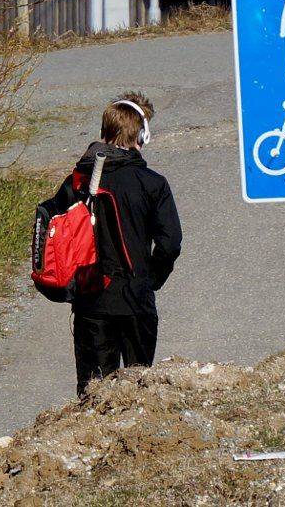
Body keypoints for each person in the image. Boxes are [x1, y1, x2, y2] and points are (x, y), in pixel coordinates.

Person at [53, 92, 182, 396]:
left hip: (91, 301)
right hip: (135, 299)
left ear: (105, 133)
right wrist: (152, 278)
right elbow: (170, 243)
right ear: (142, 135)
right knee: (139, 391)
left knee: (92, 394)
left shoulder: (76, 181)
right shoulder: (152, 184)